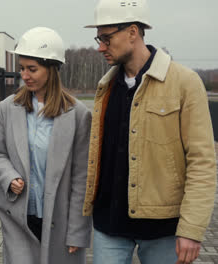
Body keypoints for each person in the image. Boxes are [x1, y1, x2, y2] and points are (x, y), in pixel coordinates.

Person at [82, 0, 217, 263]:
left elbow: (202, 162)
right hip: (108, 226)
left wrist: (192, 229)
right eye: (98, 38)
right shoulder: (106, 86)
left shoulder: (184, 83)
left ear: (133, 32)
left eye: (106, 38)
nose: (100, 47)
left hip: (163, 231)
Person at [0, 27, 92, 264]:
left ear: (52, 68)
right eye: (22, 68)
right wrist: (8, 175)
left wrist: (78, 230)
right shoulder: (7, 107)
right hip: (18, 218)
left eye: (32, 69)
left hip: (61, 223)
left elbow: (82, 178)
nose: (25, 75)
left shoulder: (78, 114)